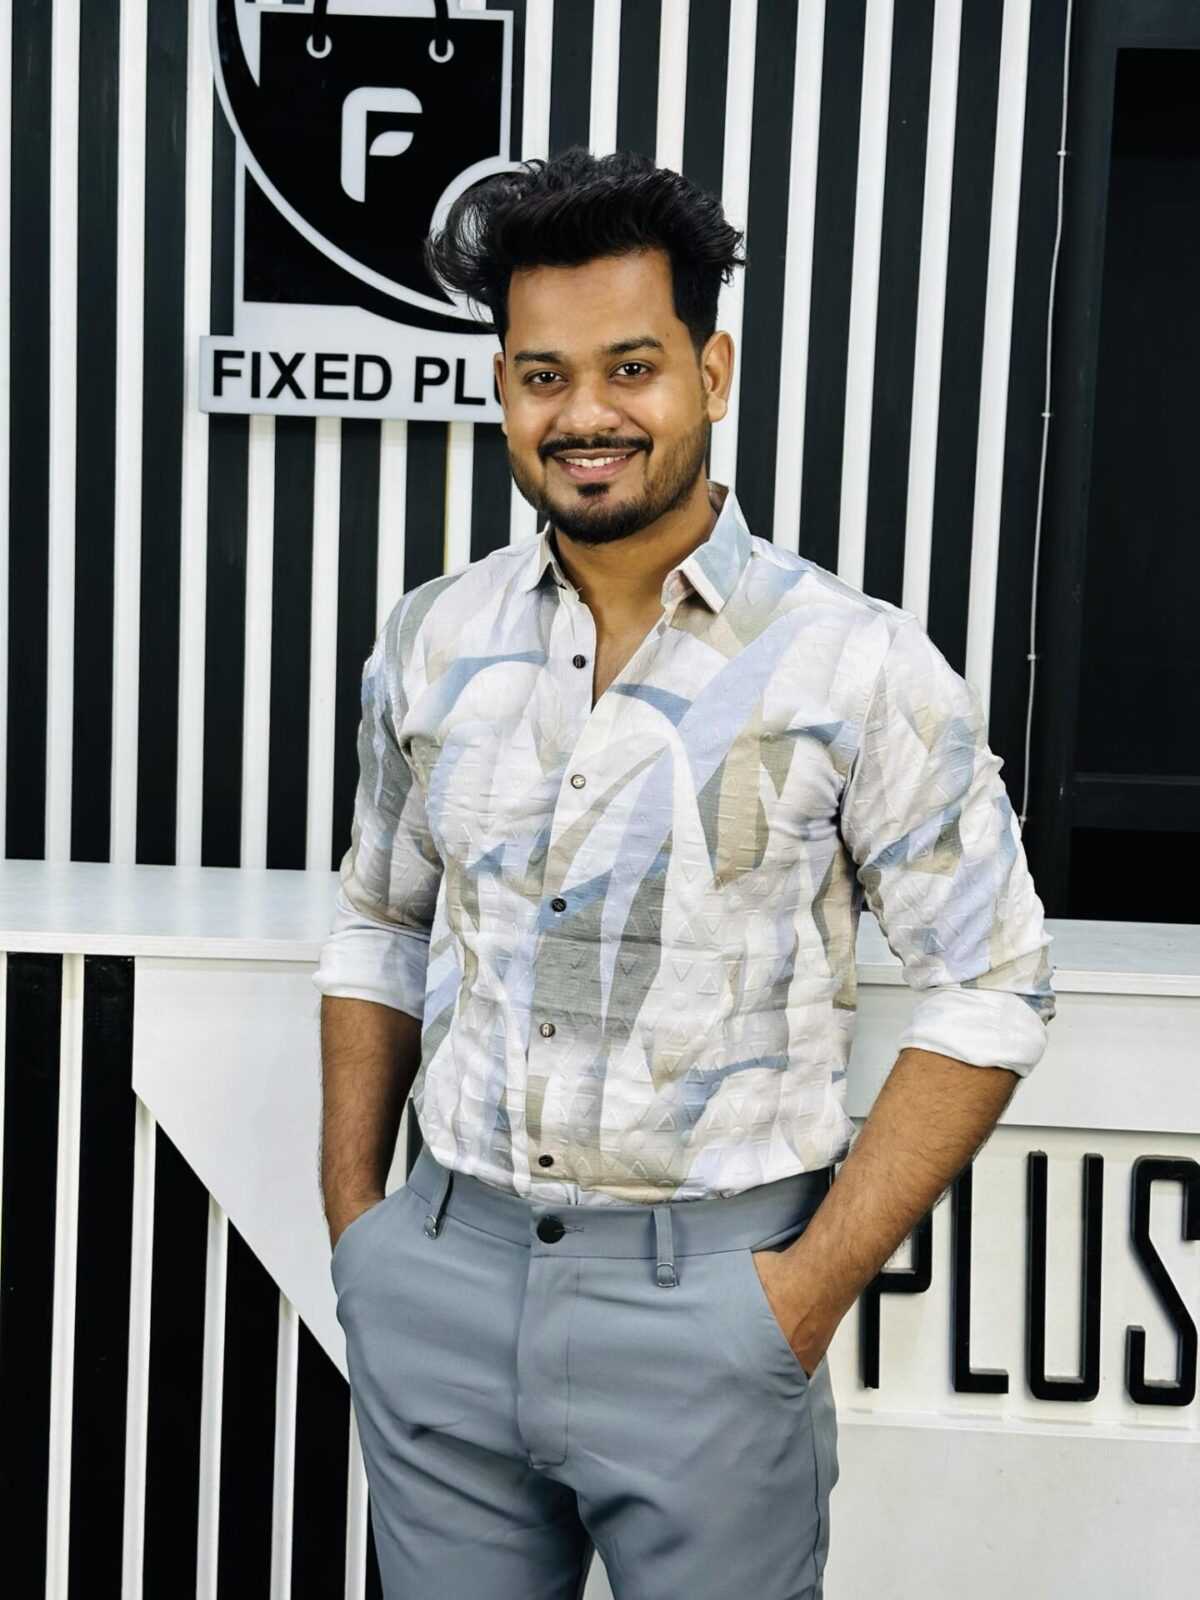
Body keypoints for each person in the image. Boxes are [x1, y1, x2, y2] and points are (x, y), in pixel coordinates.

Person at [312, 146, 1056, 1600]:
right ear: (503, 388)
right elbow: (379, 921)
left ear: (710, 373)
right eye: (542, 376)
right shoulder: (434, 638)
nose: (584, 414)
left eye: (632, 368)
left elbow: (996, 983)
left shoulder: (853, 662)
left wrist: (802, 1294)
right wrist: (364, 1236)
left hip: (715, 1313)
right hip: (440, 1291)